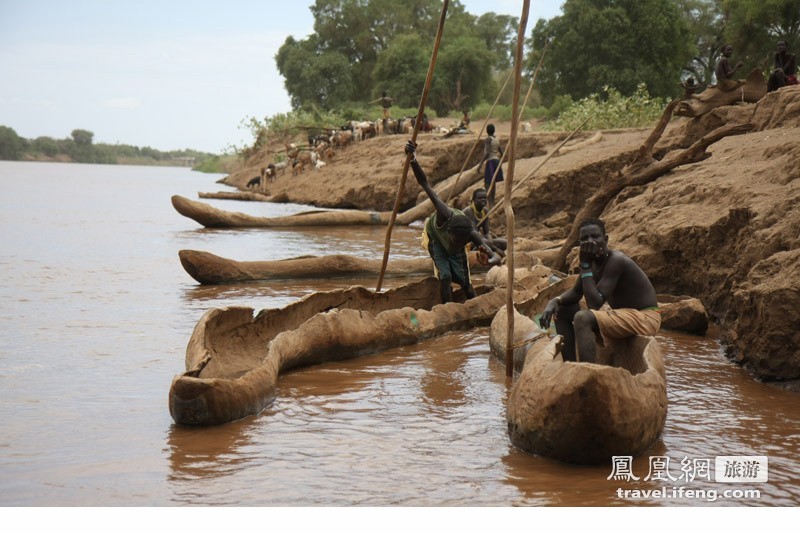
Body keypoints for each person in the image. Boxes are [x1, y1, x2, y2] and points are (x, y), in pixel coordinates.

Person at [538, 218, 660, 363]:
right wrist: (554, 301)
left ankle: (587, 372)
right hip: (623, 314)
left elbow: (594, 304)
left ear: (605, 239)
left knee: (582, 318)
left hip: (645, 317)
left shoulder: (616, 260)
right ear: (580, 244)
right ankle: (569, 365)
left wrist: (585, 265)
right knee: (563, 309)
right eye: (584, 238)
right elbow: (577, 292)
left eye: (595, 236)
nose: (590, 241)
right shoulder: (594, 262)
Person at [405, 140, 502, 304]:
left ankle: (474, 305)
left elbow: (496, 258)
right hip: (435, 241)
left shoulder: (470, 234)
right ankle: (447, 308)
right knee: (446, 276)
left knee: (466, 284)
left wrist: (487, 260)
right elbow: (424, 183)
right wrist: (413, 158)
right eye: (456, 240)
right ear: (449, 231)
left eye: (461, 242)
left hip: (455, 251)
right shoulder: (445, 214)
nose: (457, 243)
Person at [465, 188, 507, 257]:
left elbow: (486, 232)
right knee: (486, 243)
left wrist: (490, 240)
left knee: (505, 243)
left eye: (485, 198)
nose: (483, 200)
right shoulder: (468, 211)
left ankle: (484, 249)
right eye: (480, 198)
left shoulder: (485, 211)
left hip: (479, 239)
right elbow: (474, 234)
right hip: (467, 241)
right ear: (474, 200)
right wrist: (495, 248)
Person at [476, 124, 504, 208]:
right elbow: (502, 153)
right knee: (493, 183)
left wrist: (480, 164)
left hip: (491, 162)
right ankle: (492, 204)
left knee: (488, 183)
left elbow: (487, 152)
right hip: (496, 161)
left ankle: (490, 204)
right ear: (494, 130)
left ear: (487, 131)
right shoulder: (496, 139)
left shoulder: (488, 139)